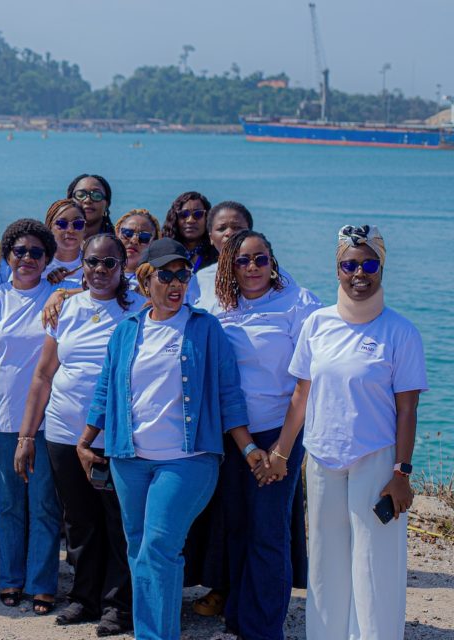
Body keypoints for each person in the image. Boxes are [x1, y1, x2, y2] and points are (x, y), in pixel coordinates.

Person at [82, 238, 260, 640]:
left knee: (159, 547)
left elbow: (229, 393)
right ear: (146, 281)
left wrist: (247, 447)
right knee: (138, 548)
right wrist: (86, 438)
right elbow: (105, 389)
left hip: (188, 459)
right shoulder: (126, 330)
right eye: (166, 275)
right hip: (129, 457)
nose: (176, 283)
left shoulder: (205, 328)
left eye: (182, 275)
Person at [261, 224, 426, 640]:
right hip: (322, 458)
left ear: (382, 268)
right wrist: (281, 453)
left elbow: (407, 409)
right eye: (350, 265)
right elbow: (302, 395)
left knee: (375, 565)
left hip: (377, 459)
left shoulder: (401, 331)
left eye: (369, 265)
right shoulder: (317, 324)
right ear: (337, 270)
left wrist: (402, 473)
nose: (359, 274)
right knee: (324, 563)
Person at [17, 233, 142, 636]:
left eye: (109, 263)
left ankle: (117, 606)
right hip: (62, 432)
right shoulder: (66, 308)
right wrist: (26, 436)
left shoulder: (140, 308)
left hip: (114, 437)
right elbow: (42, 375)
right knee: (78, 520)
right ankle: (84, 597)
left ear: (123, 265)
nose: (100, 270)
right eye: (92, 262)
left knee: (117, 522)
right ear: (82, 265)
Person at [206, 230, 320, 639]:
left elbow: (306, 383)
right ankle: (239, 619)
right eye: (242, 260)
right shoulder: (221, 306)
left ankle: (265, 629)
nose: (252, 267)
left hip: (279, 431)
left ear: (273, 262)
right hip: (233, 434)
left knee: (269, 532)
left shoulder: (298, 303)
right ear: (230, 266)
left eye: (260, 259)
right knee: (237, 528)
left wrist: (282, 451)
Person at [0, 219, 63, 612]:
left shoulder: (58, 299)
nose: (27, 258)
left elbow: (99, 292)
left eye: (36, 252)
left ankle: (42, 582)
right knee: (8, 505)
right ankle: (10, 578)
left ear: (47, 258)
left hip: (48, 421)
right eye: (19, 251)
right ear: (7, 256)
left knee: (44, 504)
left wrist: (66, 289)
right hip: (3, 420)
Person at [162, 191, 213, 272]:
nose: (190, 220)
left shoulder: (218, 255)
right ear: (175, 218)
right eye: (184, 214)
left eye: (198, 214)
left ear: (207, 218)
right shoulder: (163, 253)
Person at [43, 199, 86, 287]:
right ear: (49, 227)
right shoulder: (37, 264)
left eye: (78, 224)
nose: (70, 230)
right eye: (62, 224)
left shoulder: (94, 264)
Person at [114, 209, 159, 290]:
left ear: (154, 243)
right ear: (117, 234)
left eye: (144, 237)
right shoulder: (100, 271)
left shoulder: (157, 282)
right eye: (127, 233)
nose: (134, 240)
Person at [67, 173, 116, 238]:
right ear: (69, 201)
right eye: (80, 195)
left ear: (107, 204)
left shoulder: (119, 241)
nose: (87, 200)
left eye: (97, 196)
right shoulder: (55, 240)